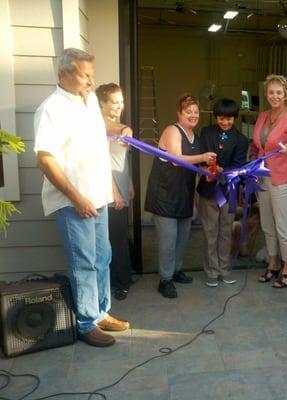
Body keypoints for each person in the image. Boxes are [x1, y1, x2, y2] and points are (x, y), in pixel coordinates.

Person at [34, 48, 129, 347]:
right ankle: (87, 323)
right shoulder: (51, 109)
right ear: (64, 74)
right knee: (84, 262)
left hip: (98, 196)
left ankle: (101, 313)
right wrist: (76, 197)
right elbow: (45, 159)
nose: (91, 81)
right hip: (73, 202)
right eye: (85, 75)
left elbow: (101, 131)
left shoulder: (86, 102)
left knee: (103, 257)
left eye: (92, 74)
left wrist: (123, 130)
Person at [144, 94, 216, 298]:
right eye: (188, 112)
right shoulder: (172, 130)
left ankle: (175, 271)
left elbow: (196, 169)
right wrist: (203, 157)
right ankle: (165, 279)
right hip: (165, 195)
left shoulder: (196, 137)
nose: (193, 115)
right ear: (179, 113)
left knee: (182, 239)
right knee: (168, 240)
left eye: (196, 112)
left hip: (184, 195)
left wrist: (195, 194)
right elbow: (176, 160)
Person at [250, 74, 287, 288]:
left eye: (278, 93)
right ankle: (272, 262)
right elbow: (258, 145)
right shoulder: (263, 115)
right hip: (263, 176)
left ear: (285, 94)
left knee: (282, 224)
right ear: (266, 93)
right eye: (271, 92)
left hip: (284, 178)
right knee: (267, 224)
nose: (274, 96)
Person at [197, 98, 248, 287]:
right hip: (208, 190)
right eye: (221, 118)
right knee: (210, 232)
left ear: (235, 117)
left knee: (226, 232)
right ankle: (211, 271)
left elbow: (239, 165)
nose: (225, 122)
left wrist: (222, 170)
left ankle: (224, 270)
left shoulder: (241, 139)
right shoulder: (206, 132)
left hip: (229, 191)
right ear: (215, 117)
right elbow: (201, 157)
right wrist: (208, 166)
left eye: (229, 119)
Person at [95, 83, 135, 301]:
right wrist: (114, 193)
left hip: (120, 189)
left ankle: (123, 277)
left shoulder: (118, 126)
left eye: (122, 101)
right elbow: (102, 163)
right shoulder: (99, 126)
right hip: (108, 193)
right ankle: (119, 283)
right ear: (102, 104)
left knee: (119, 236)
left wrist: (128, 182)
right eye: (115, 102)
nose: (120, 105)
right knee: (115, 240)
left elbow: (120, 160)